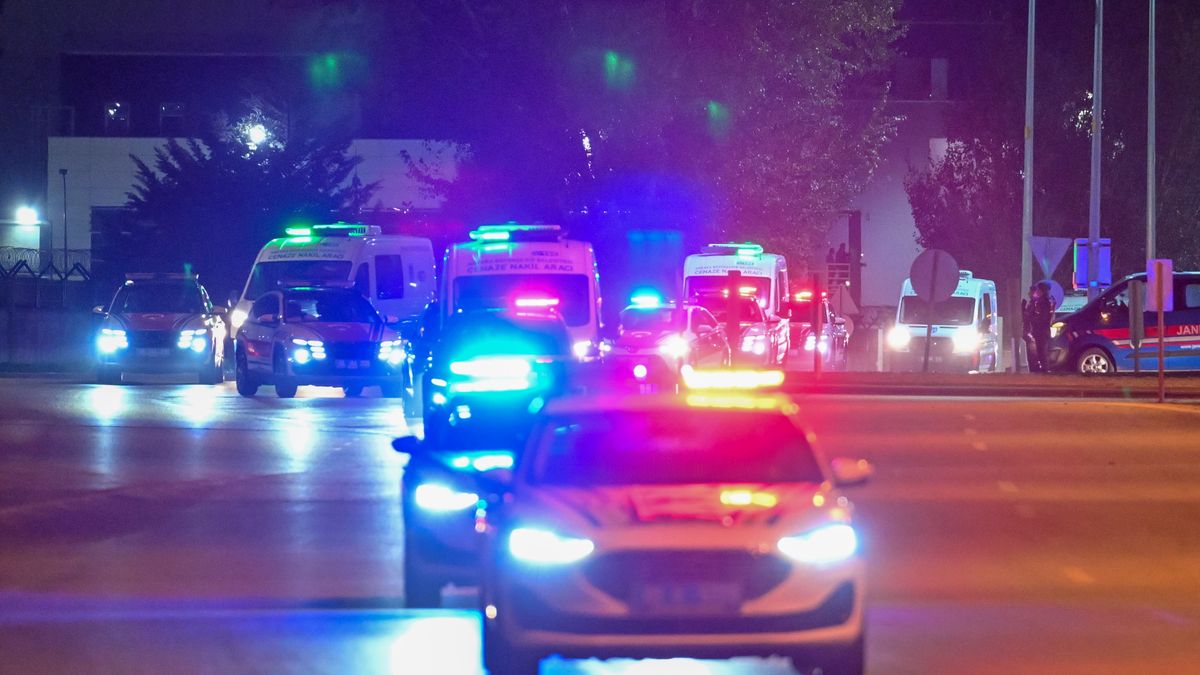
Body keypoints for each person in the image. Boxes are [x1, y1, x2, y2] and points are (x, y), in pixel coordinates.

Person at [1022, 283, 1053, 372]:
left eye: (1038, 290)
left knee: (1041, 352)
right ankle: (1043, 370)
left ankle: (1044, 371)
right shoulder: (1040, 302)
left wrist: (1030, 316)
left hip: (1041, 331)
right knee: (1039, 352)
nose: (1036, 292)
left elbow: (1042, 318)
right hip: (1039, 331)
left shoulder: (1043, 303)